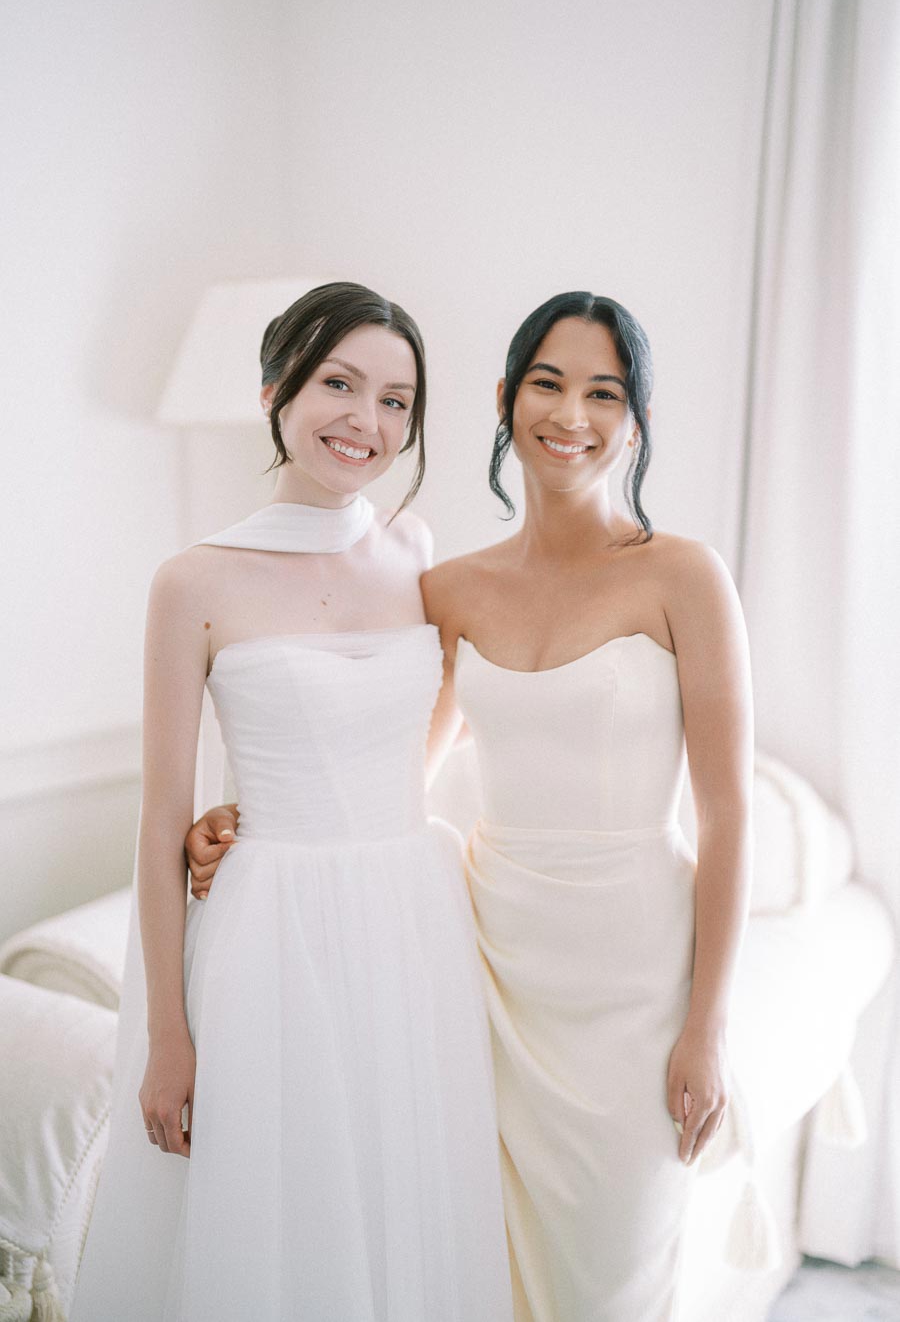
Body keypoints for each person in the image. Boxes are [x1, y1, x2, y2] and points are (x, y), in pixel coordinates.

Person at [188, 291, 753, 1322]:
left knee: (610, 1276)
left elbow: (728, 819)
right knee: (480, 1268)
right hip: (485, 962)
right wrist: (241, 818)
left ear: (639, 421)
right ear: (503, 398)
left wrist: (708, 1027)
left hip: (634, 978)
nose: (570, 414)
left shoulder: (684, 577)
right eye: (547, 382)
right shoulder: (449, 587)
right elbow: (382, 759)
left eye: (603, 391)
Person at [70, 282, 513, 1322]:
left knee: (399, 1191)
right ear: (276, 389)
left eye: (398, 401)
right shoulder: (195, 580)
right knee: (281, 1205)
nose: (368, 421)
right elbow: (158, 819)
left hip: (411, 915)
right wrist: (165, 1038)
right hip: (269, 928)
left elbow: (429, 724)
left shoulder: (416, 551)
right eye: (339, 384)